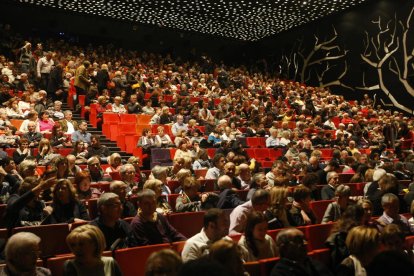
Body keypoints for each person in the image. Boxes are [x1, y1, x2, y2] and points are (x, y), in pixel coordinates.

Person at [325, 204, 366, 270]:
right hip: (348, 268)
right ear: (360, 218)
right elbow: (345, 256)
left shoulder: (340, 229)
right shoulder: (341, 235)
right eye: (364, 217)